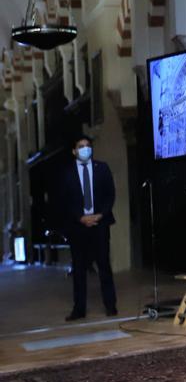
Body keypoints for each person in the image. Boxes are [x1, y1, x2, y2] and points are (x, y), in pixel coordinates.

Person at [59, 135, 118, 320]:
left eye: (88, 146)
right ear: (74, 151)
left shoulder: (102, 168)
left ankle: (110, 306)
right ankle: (79, 309)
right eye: (81, 146)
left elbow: (110, 194)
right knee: (79, 268)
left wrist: (100, 215)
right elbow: (63, 200)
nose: (85, 149)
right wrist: (80, 217)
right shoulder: (67, 172)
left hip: (100, 223)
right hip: (78, 226)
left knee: (104, 265)